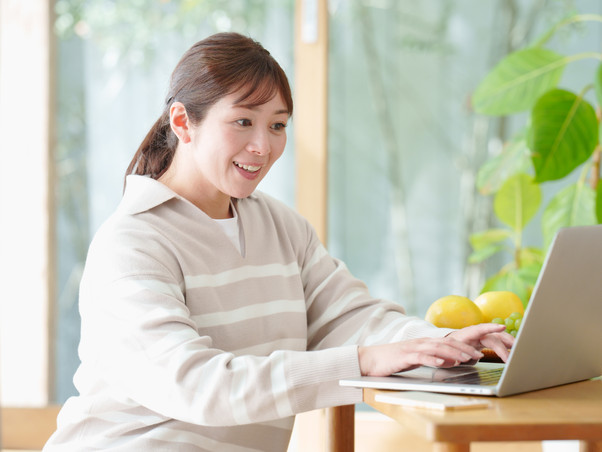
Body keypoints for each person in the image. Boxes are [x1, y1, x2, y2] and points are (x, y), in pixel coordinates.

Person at [43, 32, 513, 451]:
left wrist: (442, 343)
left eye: (277, 125)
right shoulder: (132, 242)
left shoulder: (281, 227)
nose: (262, 147)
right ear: (183, 122)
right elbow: (197, 386)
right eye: (243, 122)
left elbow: (353, 319)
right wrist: (364, 361)